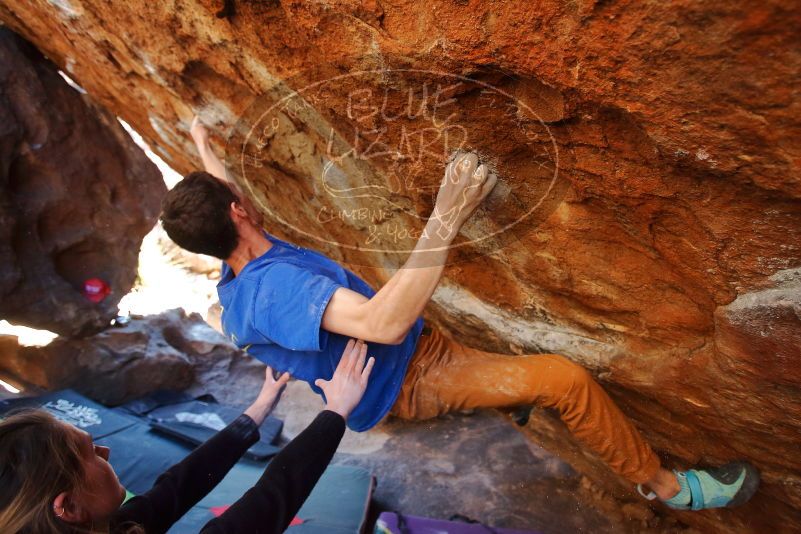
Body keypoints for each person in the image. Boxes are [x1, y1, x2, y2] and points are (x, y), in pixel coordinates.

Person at [158, 115, 759, 512]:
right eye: (235, 199)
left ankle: (511, 396)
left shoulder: (238, 268)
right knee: (564, 380)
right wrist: (447, 211)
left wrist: (204, 144)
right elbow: (381, 325)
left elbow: (221, 195)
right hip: (409, 375)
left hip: (416, 353)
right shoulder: (274, 289)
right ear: (239, 212)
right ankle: (667, 487)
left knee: (518, 379)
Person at [0, 338, 375, 533]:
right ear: (68, 508)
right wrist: (335, 411)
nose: (106, 450)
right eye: (91, 454)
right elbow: (269, 502)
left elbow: (178, 485)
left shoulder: (103, 527)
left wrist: (258, 410)